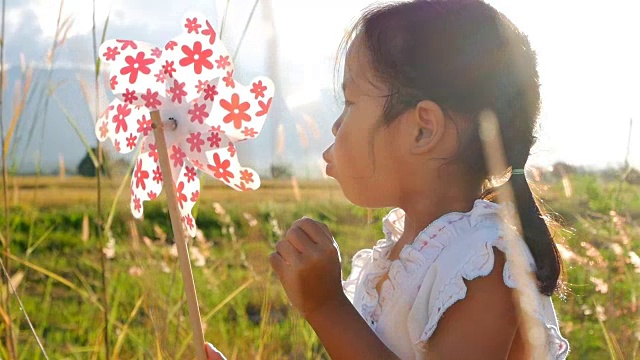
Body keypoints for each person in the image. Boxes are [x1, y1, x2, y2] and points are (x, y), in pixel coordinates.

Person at [208, 0, 570, 358]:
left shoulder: (484, 264)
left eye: (350, 102)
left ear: (421, 130)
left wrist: (326, 307)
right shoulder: (399, 256)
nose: (335, 126)